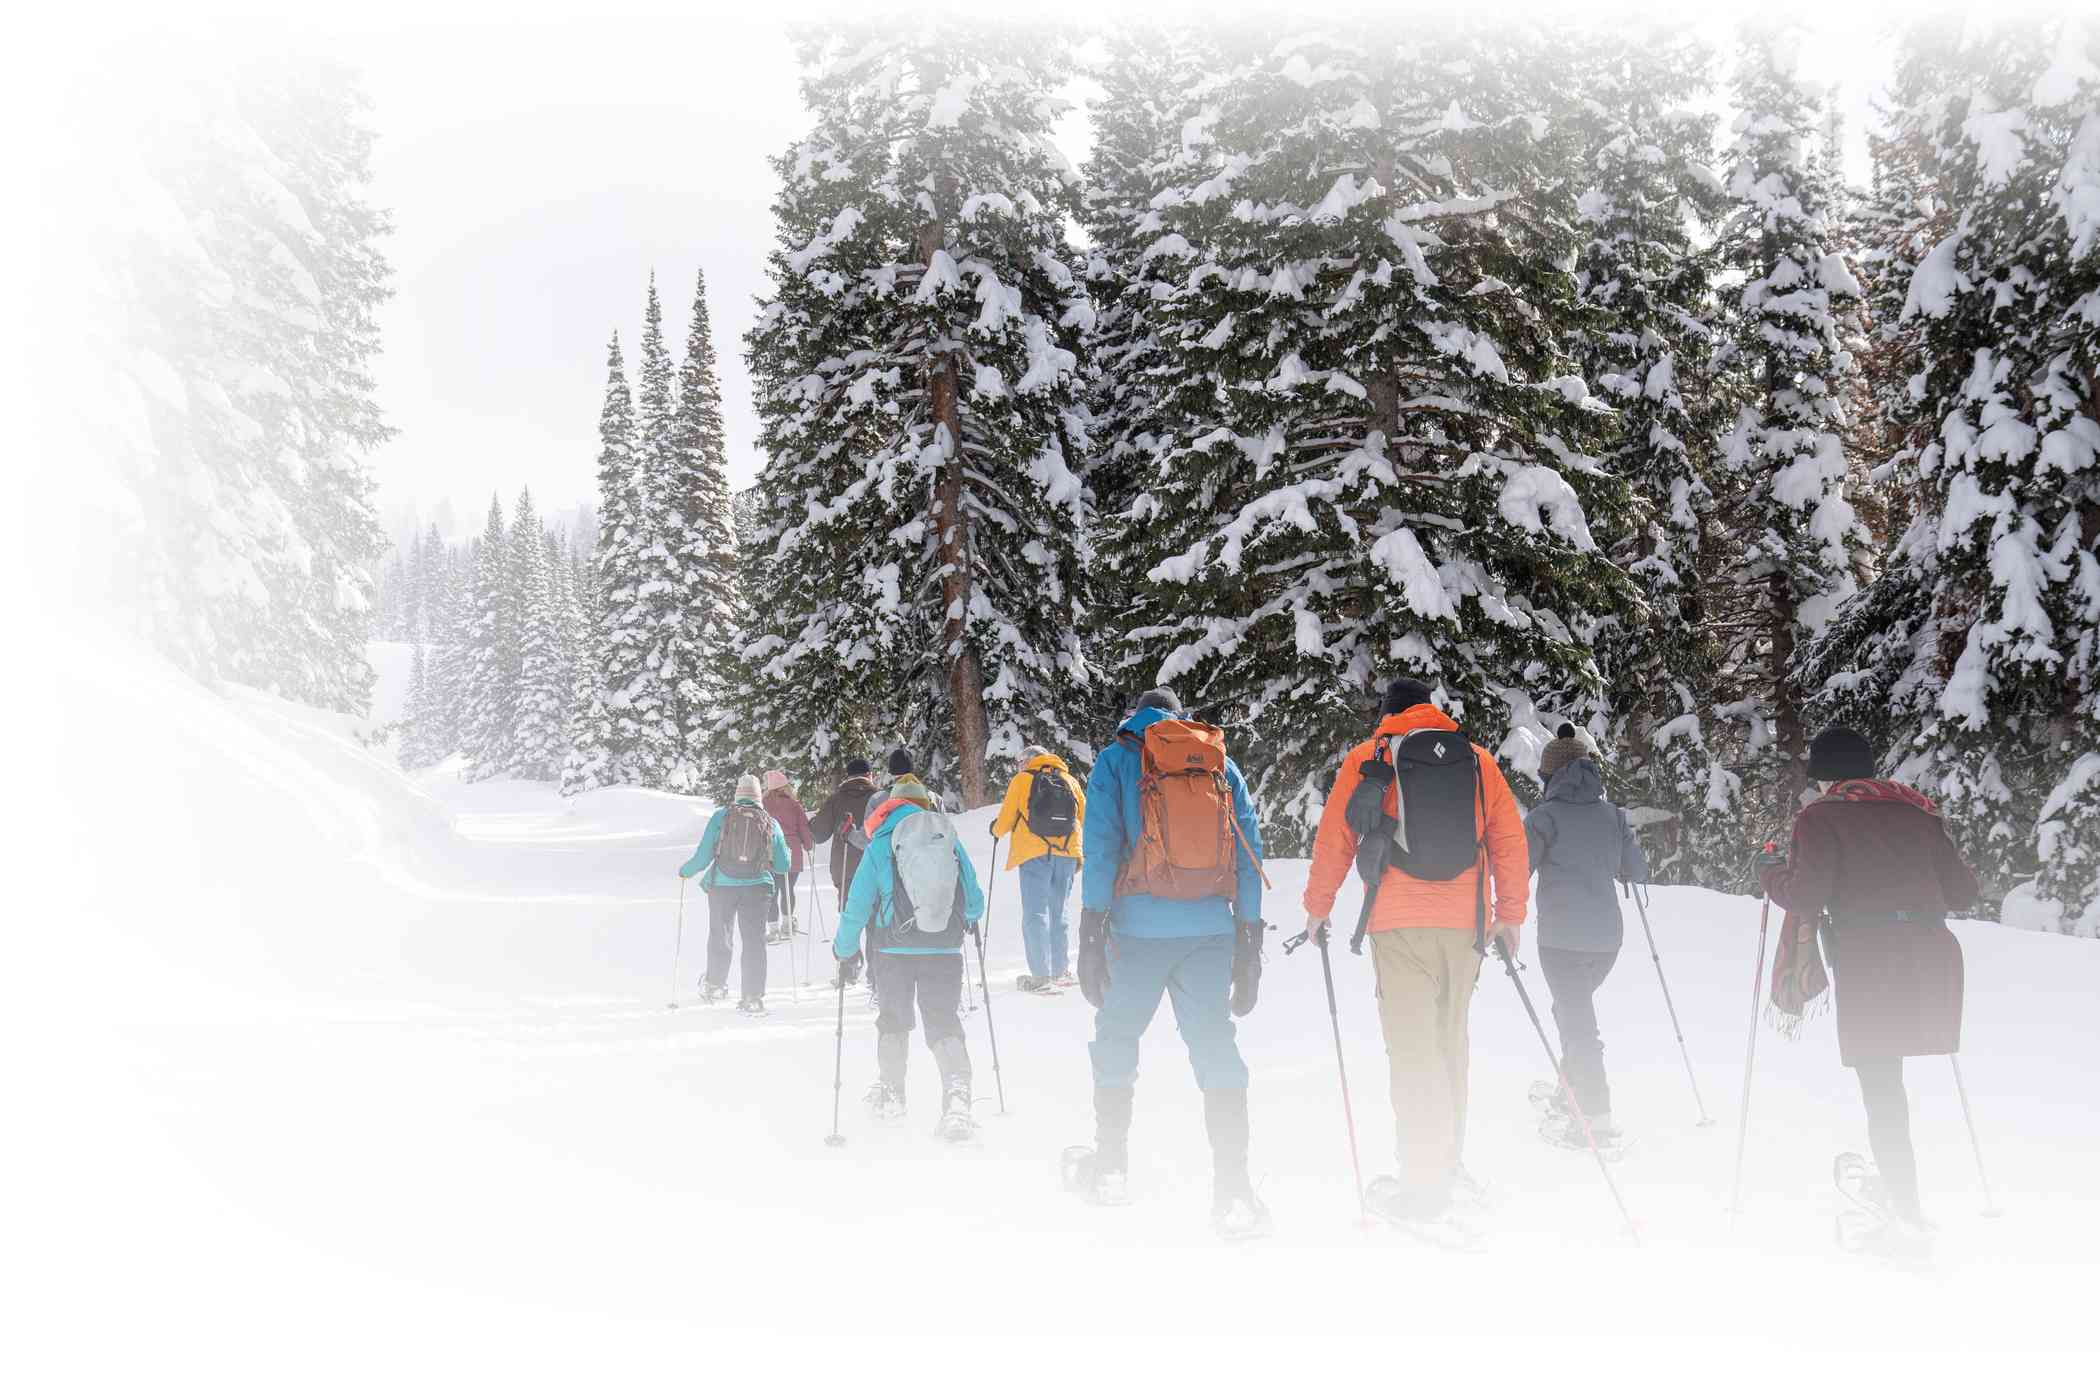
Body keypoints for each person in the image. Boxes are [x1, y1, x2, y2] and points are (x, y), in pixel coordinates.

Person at [1302, 676, 1529, 1229]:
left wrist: (1318, 905)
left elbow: (1336, 837)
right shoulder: (1476, 761)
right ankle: (1443, 1166)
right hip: (1465, 926)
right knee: (1450, 1046)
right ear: (1432, 709)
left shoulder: (1368, 757)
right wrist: (1510, 915)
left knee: (1413, 1053)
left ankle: (1423, 1188)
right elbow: (1508, 839)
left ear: (1388, 714)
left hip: (1398, 923)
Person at [1759, 726, 1977, 1251]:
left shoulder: (1821, 817)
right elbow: (1965, 892)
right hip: (1931, 955)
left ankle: (1904, 1207)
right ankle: (1901, 1188)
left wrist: (1769, 872)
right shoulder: (1916, 811)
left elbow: (1807, 894)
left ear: (1824, 777)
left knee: (1882, 1087)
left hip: (1873, 958)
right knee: (1889, 1082)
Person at [1071, 687, 1269, 1238]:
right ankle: (1233, 1191)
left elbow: (1102, 845)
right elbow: (1249, 849)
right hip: (1210, 931)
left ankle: (1110, 1168)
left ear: (1135, 714)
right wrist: (1249, 937)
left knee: (1116, 1038)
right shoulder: (1215, 762)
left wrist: (1091, 927)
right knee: (1215, 1049)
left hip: (1137, 931)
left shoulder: (1115, 761)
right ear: (1177, 718)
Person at [833, 776, 987, 1138]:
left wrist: (844, 950)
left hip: (892, 950)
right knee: (944, 1021)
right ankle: (957, 1099)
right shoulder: (947, 838)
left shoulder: (879, 843)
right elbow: (975, 901)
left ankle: (891, 1095)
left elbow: (856, 907)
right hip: (944, 949)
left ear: (890, 805)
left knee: (894, 1021)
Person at [1523, 723, 1649, 1147]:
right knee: (1571, 1012)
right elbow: (1635, 870)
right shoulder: (1614, 815)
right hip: (1607, 941)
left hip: (1560, 941)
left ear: (1550, 776)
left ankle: (1596, 1118)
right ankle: (1569, 1092)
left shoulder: (1543, 818)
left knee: (1578, 1025)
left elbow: (1517, 868)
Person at [679, 774, 792, 1015]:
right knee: (754, 942)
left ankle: (715, 986)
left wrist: (686, 871)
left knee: (721, 934)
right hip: (758, 888)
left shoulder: (722, 816)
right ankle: (752, 998)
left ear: (738, 794)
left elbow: (704, 854)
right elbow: (782, 866)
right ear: (759, 797)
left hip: (723, 886)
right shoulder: (770, 821)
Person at [990, 745, 1085, 992]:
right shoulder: (1069, 779)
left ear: (1028, 761)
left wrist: (995, 830)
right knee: (1059, 912)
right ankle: (1061, 970)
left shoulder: (1022, 780)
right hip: (1066, 852)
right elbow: (1082, 816)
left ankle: (1041, 976)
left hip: (1034, 853)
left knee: (1035, 914)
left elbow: (1007, 818)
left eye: (1021, 761)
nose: (1019, 765)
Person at [814, 759, 880, 984]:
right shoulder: (880, 799)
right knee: (874, 923)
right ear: (869, 775)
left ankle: (848, 968)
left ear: (848, 776)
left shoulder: (836, 799)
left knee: (849, 919)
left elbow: (818, 834)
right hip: (876, 869)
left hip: (846, 870)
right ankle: (875, 977)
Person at [762, 769, 817, 941]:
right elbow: (803, 828)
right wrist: (808, 845)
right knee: (788, 889)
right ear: (785, 787)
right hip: (791, 851)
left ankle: (772, 929)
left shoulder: (763, 804)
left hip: (769, 851)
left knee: (771, 891)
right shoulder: (794, 805)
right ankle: (787, 925)